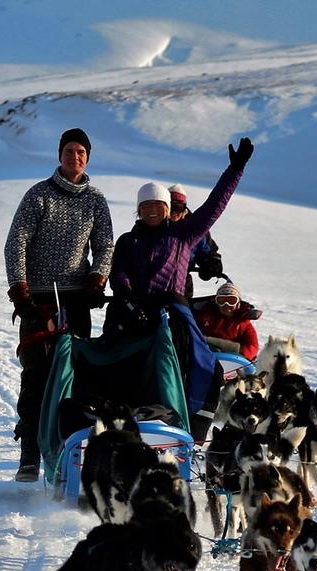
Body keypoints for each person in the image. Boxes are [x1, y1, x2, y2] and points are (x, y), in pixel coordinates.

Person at [106, 137, 255, 438]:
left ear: (167, 208)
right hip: (132, 313)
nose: (151, 210)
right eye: (145, 205)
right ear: (138, 209)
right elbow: (118, 271)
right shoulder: (127, 241)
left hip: (172, 315)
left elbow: (214, 207)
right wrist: (125, 296)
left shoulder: (183, 235)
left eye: (158, 205)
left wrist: (235, 170)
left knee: (201, 369)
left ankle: (189, 431)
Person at [3, 127, 114, 482]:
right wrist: (20, 291)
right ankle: (30, 453)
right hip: (37, 301)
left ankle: (70, 453)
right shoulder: (39, 195)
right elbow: (16, 243)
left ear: (88, 158)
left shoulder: (95, 200)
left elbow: (105, 245)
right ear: (60, 155)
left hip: (76, 299)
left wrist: (97, 280)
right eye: (69, 150)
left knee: (74, 376)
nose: (74, 157)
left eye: (81, 151)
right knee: (35, 373)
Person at [168, 183, 224, 293]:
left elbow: (209, 252)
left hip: (182, 283)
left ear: (184, 208)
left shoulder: (195, 229)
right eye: (170, 207)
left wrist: (211, 264)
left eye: (178, 208)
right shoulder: (153, 225)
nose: (174, 212)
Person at [193, 279, 260, 360]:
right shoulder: (205, 316)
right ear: (216, 302)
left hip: (231, 361)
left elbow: (252, 347)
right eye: (221, 301)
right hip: (205, 357)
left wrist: (233, 349)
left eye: (231, 301)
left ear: (238, 304)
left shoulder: (243, 323)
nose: (226, 305)